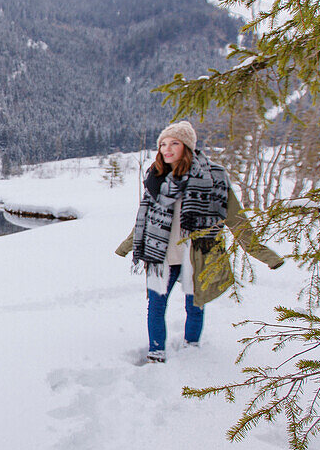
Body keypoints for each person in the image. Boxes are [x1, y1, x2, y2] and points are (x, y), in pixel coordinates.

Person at [116, 120, 284, 363]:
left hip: (198, 255)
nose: (167, 148)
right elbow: (146, 219)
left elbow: (236, 218)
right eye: (163, 143)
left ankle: (192, 347)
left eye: (174, 143)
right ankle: (156, 352)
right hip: (160, 255)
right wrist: (127, 245)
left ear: (188, 146)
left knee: (195, 306)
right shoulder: (156, 177)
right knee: (155, 306)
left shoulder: (214, 177)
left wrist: (265, 255)